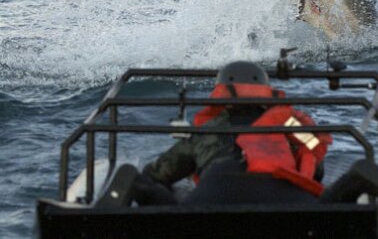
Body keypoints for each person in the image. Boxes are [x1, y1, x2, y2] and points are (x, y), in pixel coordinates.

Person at [97, 61, 331, 207]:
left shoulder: (206, 130)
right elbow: (315, 169)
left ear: (221, 92)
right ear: (265, 89)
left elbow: (159, 174)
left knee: (136, 177)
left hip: (215, 198)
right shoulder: (289, 125)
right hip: (285, 199)